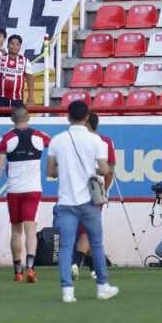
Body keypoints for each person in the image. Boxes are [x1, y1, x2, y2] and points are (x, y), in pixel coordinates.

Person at [46, 100, 118, 303]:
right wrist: (89, 168)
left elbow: (50, 172)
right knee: (96, 243)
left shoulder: (57, 141)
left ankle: (67, 291)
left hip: (66, 201)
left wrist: (68, 168)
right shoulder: (97, 141)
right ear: (87, 118)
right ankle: (102, 287)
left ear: (68, 117)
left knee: (66, 246)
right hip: (89, 201)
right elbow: (105, 170)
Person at [0, 105, 51, 283]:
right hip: (33, 190)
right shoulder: (40, 136)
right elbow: (55, 148)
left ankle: (17, 271)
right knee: (31, 230)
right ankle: (30, 267)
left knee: (16, 231)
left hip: (14, 190)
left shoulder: (6, 139)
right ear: (29, 118)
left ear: (12, 119)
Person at [72, 112, 116, 280]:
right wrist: (104, 189)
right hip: (96, 187)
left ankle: (93, 268)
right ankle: (76, 262)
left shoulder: (76, 141)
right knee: (90, 229)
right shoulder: (105, 142)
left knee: (86, 228)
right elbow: (110, 171)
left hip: (77, 187)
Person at [0, 34, 35, 108]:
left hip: (17, 100)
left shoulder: (25, 60)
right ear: (8, 45)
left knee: (16, 119)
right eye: (12, 44)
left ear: (20, 47)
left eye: (17, 45)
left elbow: (30, 79)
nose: (14, 47)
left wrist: (30, 97)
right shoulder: (0, 57)